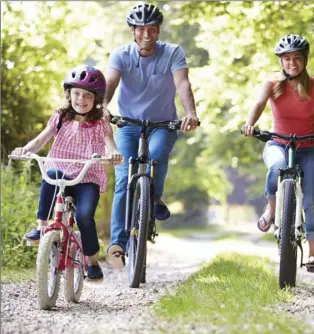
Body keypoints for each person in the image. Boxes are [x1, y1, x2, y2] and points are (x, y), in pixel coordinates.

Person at [103, 3, 200, 269]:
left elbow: (182, 83)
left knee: (157, 156)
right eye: (141, 29)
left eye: (152, 29)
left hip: (163, 123)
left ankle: (153, 196)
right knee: (124, 178)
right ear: (133, 31)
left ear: (158, 31)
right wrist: (103, 106)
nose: (147, 34)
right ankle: (117, 244)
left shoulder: (173, 53)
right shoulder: (121, 55)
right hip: (128, 123)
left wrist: (190, 112)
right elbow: (111, 82)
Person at [241, 34, 314, 272]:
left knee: (311, 201)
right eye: (287, 59)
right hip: (278, 143)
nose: (292, 63)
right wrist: (249, 123)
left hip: (309, 148)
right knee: (276, 167)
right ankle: (272, 207)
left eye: (297, 58)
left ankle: (313, 255)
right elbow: (258, 104)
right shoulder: (272, 84)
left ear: (305, 60)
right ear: (281, 61)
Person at [11, 65, 123, 281]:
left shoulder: (101, 122)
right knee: (51, 174)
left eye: (87, 95)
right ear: (69, 94)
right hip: (62, 171)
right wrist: (24, 150)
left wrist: (115, 154)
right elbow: (41, 139)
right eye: (76, 94)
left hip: (87, 177)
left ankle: (91, 261)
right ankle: (42, 227)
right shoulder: (60, 117)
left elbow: (110, 145)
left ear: (96, 98)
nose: (81, 99)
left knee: (83, 216)